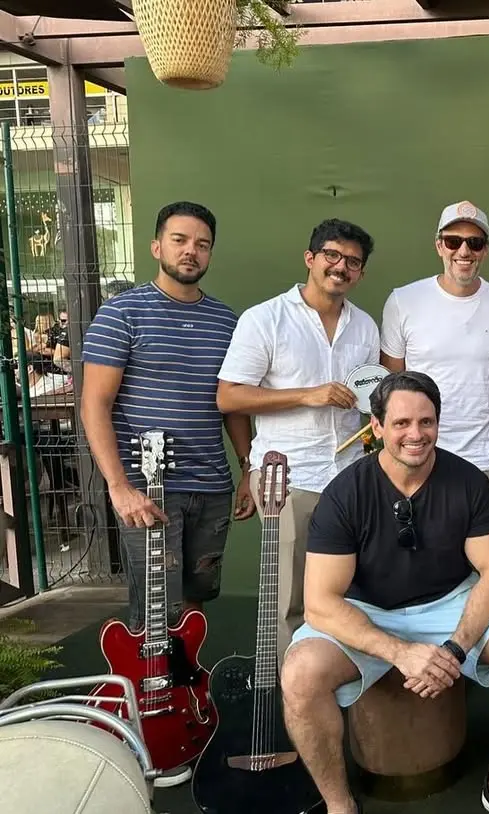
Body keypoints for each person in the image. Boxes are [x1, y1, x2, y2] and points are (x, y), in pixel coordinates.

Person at [279, 371, 489, 814]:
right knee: (299, 673)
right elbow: (321, 603)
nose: (415, 434)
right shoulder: (345, 493)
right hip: (368, 610)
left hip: (451, 602)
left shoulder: (468, 482)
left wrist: (455, 649)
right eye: (401, 423)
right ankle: (339, 804)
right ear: (377, 426)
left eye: (426, 421)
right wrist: (400, 653)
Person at [80, 201, 256, 787]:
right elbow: (95, 403)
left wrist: (248, 467)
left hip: (211, 487)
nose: (190, 251)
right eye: (179, 240)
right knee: (153, 612)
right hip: (148, 491)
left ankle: (185, 709)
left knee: (195, 603)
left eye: (201, 243)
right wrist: (119, 486)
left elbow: (232, 403)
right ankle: (145, 728)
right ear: (156, 246)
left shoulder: (227, 321)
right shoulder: (123, 312)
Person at [217, 218, 381, 658]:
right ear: (310, 258)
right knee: (288, 599)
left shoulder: (365, 327)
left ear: (361, 272)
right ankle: (291, 690)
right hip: (286, 479)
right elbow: (229, 396)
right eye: (332, 255)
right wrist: (308, 395)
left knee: (348, 594)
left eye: (352, 261)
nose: (341, 266)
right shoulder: (265, 319)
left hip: (349, 477)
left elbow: (367, 398)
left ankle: (339, 682)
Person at [380, 201, 489, 530]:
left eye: (475, 242)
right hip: (421, 455)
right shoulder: (403, 301)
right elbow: (390, 383)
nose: (464, 251)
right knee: (421, 552)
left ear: (485, 250)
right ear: (439, 245)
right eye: (453, 241)